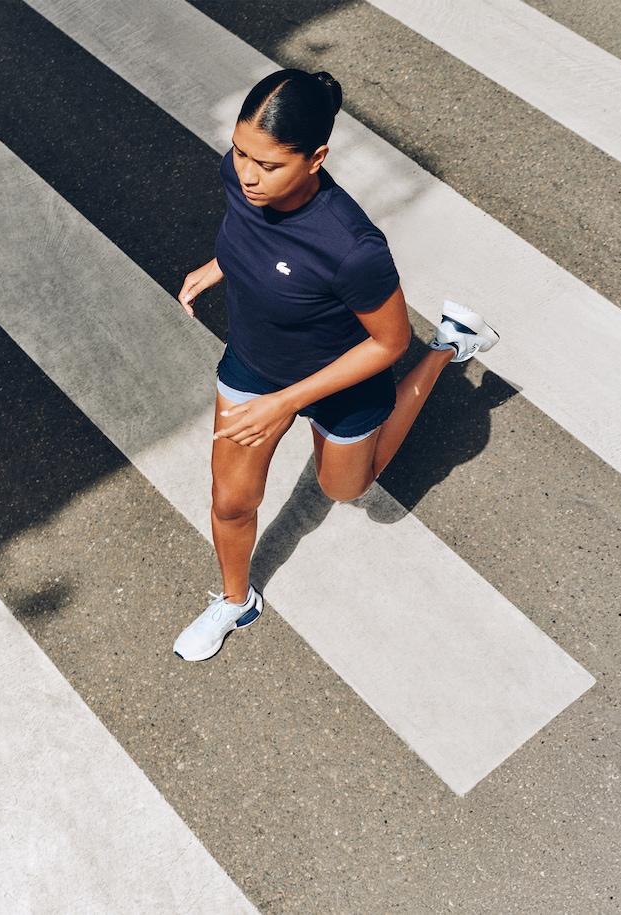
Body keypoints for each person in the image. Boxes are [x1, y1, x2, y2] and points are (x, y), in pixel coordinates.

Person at [173, 69, 498, 661]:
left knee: (344, 487)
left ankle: (448, 346)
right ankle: (234, 600)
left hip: (343, 381)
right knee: (230, 500)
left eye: (268, 165)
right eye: (241, 151)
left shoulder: (352, 248)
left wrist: (288, 402)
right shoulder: (239, 177)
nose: (247, 173)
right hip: (255, 364)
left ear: (317, 157)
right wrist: (221, 263)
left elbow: (387, 341)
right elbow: (244, 230)